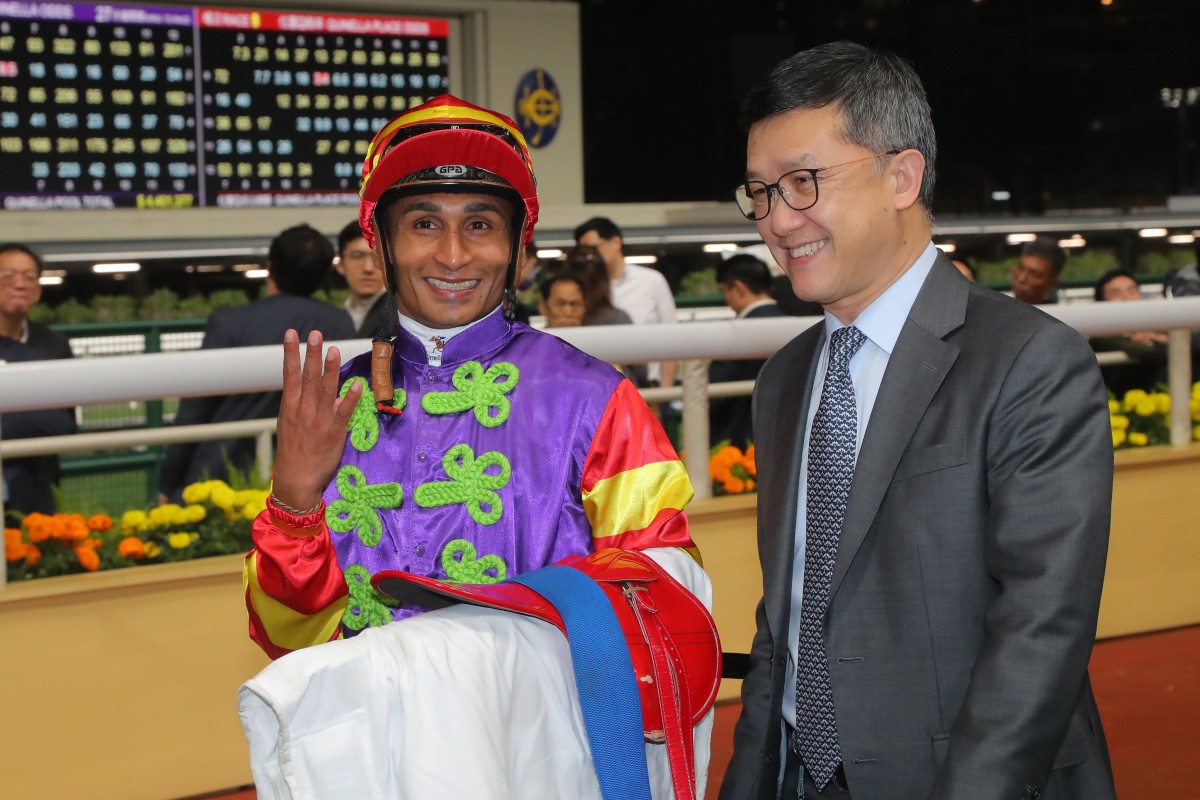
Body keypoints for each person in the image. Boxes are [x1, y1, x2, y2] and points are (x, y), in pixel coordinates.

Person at [238, 96, 711, 797]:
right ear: (381, 243)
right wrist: (295, 501)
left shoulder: (596, 399)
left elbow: (668, 602)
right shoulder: (336, 405)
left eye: (480, 225)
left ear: (520, 250)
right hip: (374, 763)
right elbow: (287, 642)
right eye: (424, 223)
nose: (453, 255)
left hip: (546, 761)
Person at [721, 42, 1115, 800]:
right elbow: (786, 619)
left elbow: (1040, 631)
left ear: (901, 176)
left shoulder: (1028, 362)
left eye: (803, 182)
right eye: (760, 192)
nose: (777, 219)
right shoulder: (784, 381)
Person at [158, 224, 355, 502]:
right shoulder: (339, 323)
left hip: (218, 482)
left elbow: (194, 410)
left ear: (270, 268)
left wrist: (169, 483)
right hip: (309, 482)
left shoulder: (228, 323)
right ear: (324, 273)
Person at [0, 243, 75, 524]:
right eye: (8, 275)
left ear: (38, 291)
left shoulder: (54, 344)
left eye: (29, 277)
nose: (19, 284)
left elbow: (63, 425)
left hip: (38, 494)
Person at [574, 217, 678, 388]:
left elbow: (672, 338)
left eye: (594, 248)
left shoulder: (651, 281)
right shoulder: (583, 289)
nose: (590, 256)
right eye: (584, 252)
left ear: (616, 242)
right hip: (599, 387)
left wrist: (664, 393)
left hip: (647, 385)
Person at [709, 253, 783, 450]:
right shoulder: (797, 327)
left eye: (726, 290)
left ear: (739, 288)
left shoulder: (734, 334)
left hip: (738, 444)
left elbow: (713, 393)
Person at [1089, 269, 1169, 395]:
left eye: (1132, 291)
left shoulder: (1156, 327)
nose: (1127, 298)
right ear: (1102, 302)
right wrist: (1162, 339)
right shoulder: (1101, 336)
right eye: (1116, 293)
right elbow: (1152, 354)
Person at [335, 220, 388, 338]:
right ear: (341, 265)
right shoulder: (335, 316)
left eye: (378, 256)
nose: (368, 268)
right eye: (357, 256)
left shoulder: (402, 314)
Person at [1010, 235, 1065, 305]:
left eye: (1034, 275)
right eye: (1020, 268)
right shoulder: (997, 312)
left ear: (1052, 284)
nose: (1021, 278)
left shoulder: (1055, 315)